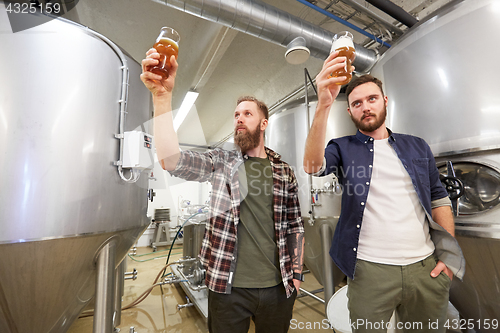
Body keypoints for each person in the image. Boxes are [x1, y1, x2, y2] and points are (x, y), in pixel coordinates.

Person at [140, 49, 304, 333]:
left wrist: (298, 274)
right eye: (236, 114)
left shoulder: (283, 171)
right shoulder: (222, 161)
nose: (239, 118)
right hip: (228, 288)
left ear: (264, 123)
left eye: (247, 114)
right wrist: (162, 98)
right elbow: (171, 160)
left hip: (279, 287)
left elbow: (295, 226)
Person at [303, 51, 465, 333]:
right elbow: (312, 167)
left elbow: (439, 199)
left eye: (372, 99)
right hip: (369, 272)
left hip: (425, 268)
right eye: (356, 103)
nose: (365, 107)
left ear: (385, 101)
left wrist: (448, 259)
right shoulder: (341, 147)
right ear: (349, 111)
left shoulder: (417, 146)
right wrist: (323, 105)